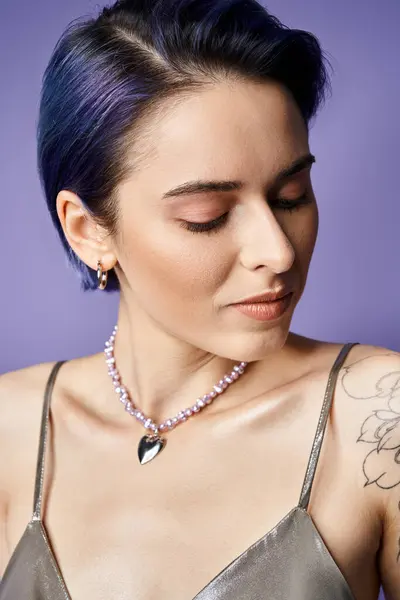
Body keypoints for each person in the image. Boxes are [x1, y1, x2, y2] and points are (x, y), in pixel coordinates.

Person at [0, 0, 399, 598]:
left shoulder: (377, 417)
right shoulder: (12, 427)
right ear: (88, 230)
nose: (278, 251)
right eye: (206, 217)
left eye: (292, 195)